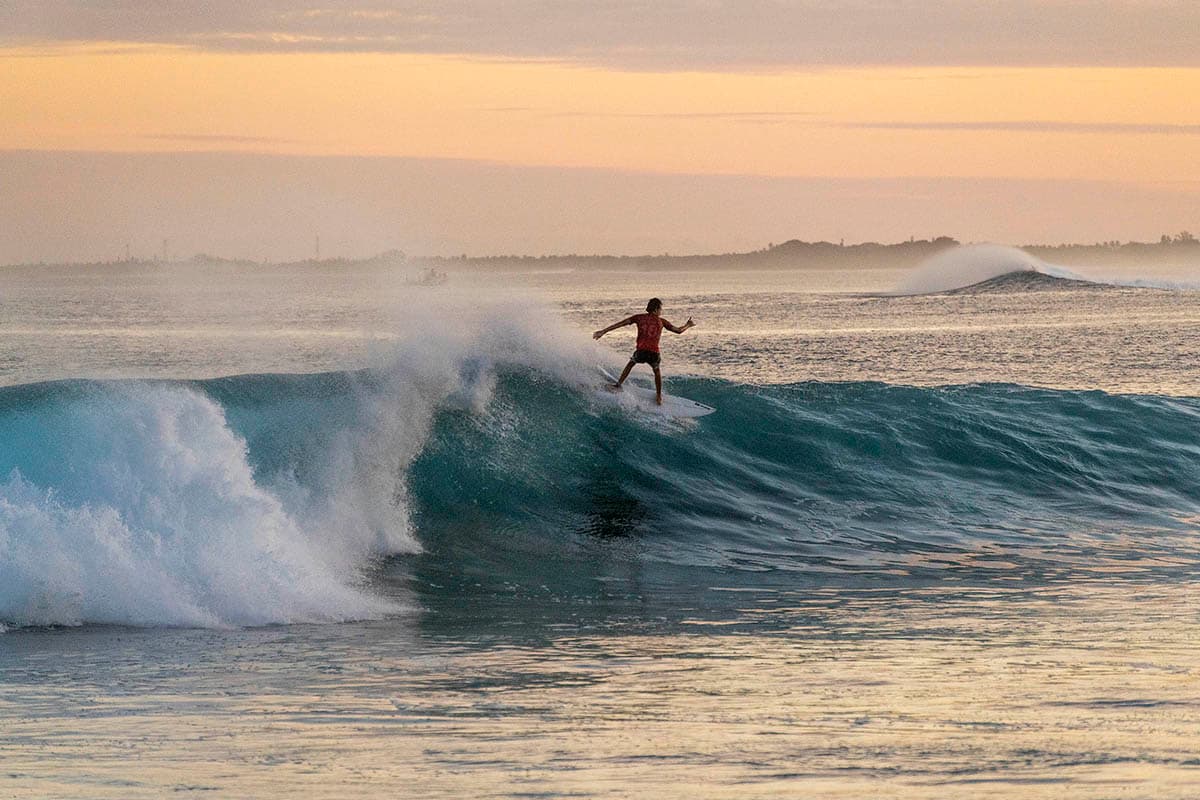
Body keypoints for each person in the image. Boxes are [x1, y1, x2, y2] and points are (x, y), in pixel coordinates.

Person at [593, 298, 695, 405]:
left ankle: (618, 385)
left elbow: (620, 324)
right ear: (656, 309)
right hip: (654, 353)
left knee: (631, 364)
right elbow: (678, 331)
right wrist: (688, 324)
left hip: (641, 352)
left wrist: (603, 331)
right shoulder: (662, 321)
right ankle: (659, 396)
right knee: (657, 372)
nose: (661, 311)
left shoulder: (639, 318)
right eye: (660, 309)